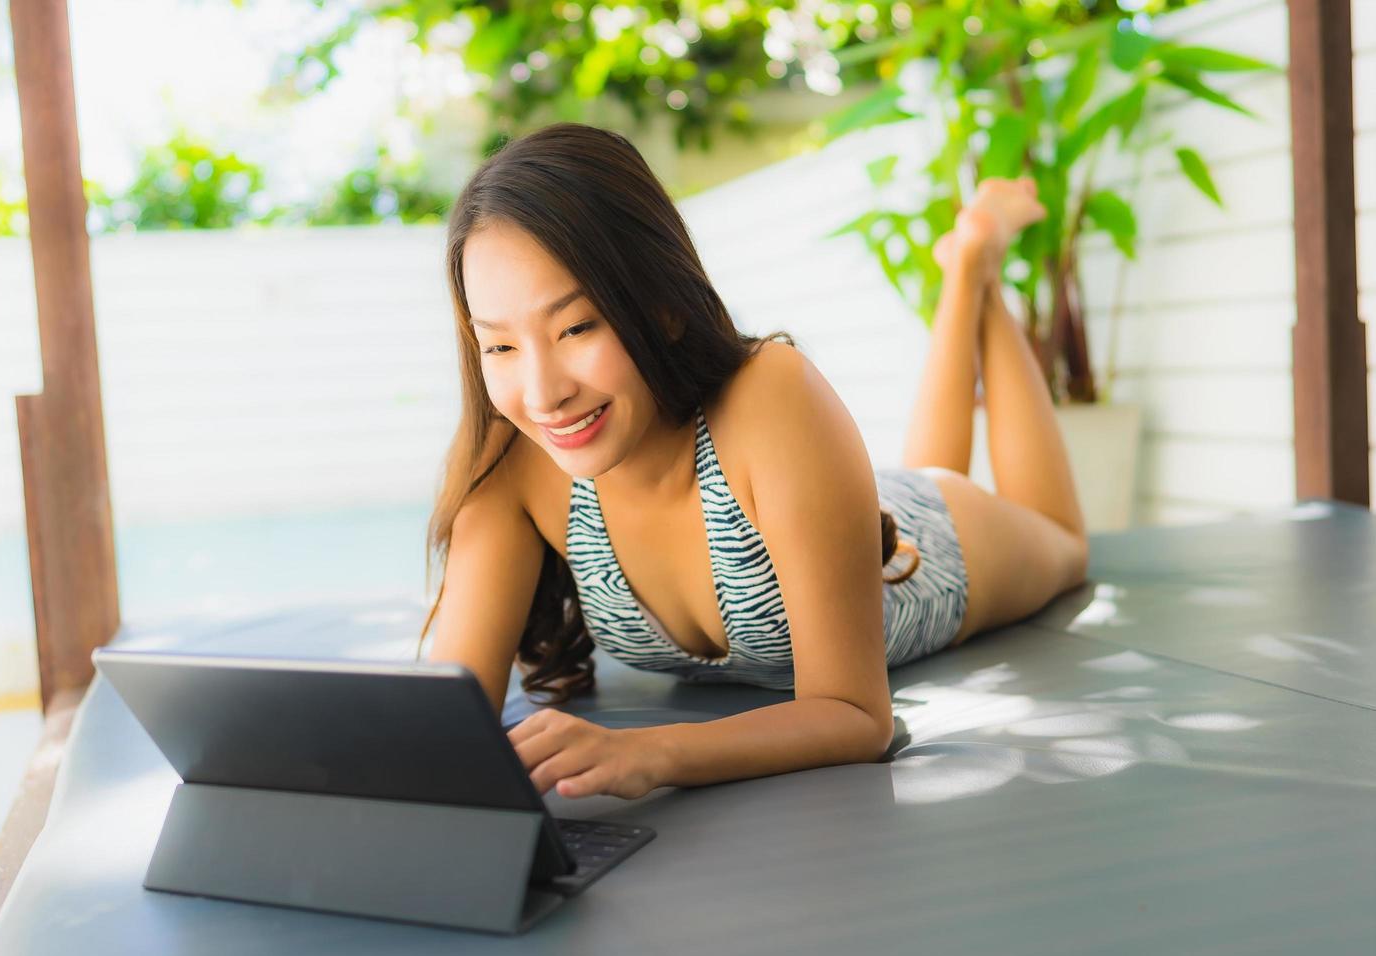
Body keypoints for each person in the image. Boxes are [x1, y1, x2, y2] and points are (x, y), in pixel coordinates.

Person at [419, 122, 1088, 801]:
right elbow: (447, 714)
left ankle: (976, 263)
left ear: (665, 306)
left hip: (930, 549)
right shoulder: (506, 458)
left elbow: (859, 717)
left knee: (1062, 542)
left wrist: (646, 754)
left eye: (576, 327)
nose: (543, 395)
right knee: (915, 469)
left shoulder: (772, 391)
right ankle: (964, 269)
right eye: (499, 347)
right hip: (816, 500)